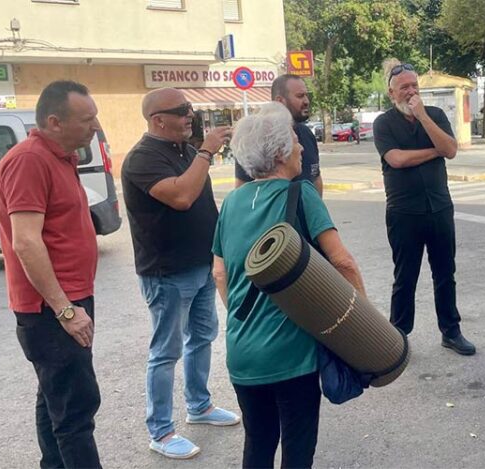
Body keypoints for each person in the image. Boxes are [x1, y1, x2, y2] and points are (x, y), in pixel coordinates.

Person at [212, 102, 366, 468]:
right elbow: (342, 261)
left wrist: (245, 319)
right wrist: (361, 323)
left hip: (242, 353)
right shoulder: (300, 195)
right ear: (280, 152)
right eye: (295, 142)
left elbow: (220, 273)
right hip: (292, 356)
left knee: (259, 443)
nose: (300, 148)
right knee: (297, 450)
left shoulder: (231, 202)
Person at [121, 88, 240, 459]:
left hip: (202, 263)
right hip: (167, 271)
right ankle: (160, 430)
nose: (190, 115)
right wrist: (206, 151)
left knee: (203, 336)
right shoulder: (142, 159)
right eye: (182, 111)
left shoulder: (185, 151)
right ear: (158, 119)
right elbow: (182, 196)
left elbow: (204, 204)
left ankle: (199, 405)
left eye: (190, 109)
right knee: (165, 351)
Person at [0, 80, 103, 468]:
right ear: (55, 122)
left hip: (65, 301)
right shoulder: (29, 160)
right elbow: (26, 242)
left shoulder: (59, 157)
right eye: (87, 119)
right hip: (51, 308)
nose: (95, 126)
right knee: (76, 409)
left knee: (55, 399)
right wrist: (66, 310)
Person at [373, 61, 475, 356]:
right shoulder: (384, 123)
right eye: (404, 87)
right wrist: (435, 151)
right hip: (404, 212)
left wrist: (423, 117)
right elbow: (396, 160)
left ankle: (451, 331)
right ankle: (398, 336)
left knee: (445, 273)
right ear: (392, 94)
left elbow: (452, 150)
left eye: (414, 86)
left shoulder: (436, 115)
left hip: (439, 208)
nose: (411, 91)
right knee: (405, 276)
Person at [235, 74, 323, 195]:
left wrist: (316, 209)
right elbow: (242, 190)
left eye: (306, 95)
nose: (306, 101)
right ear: (280, 101)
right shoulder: (255, 138)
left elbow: (315, 177)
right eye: (300, 96)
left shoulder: (306, 133)